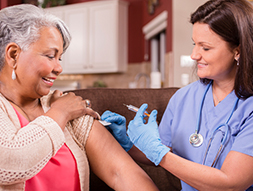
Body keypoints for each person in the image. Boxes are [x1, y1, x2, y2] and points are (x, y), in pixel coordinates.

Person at [0, 4, 159, 191]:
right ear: (13, 55)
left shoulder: (70, 109)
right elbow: (9, 163)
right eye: (50, 56)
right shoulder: (65, 108)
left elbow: (121, 173)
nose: (59, 68)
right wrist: (60, 112)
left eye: (60, 58)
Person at [101, 0, 253, 190]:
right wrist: (128, 143)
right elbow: (164, 152)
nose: (194, 55)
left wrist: (160, 154)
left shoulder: (251, 108)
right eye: (194, 44)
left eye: (205, 47)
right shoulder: (184, 97)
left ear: (238, 50)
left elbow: (231, 183)